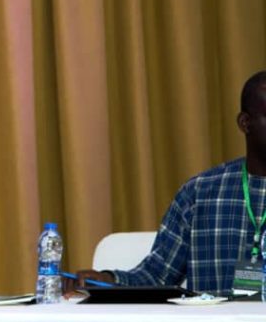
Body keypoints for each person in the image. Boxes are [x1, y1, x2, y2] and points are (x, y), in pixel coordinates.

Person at [75, 70, 266, 293]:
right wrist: (106, 280)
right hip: (214, 317)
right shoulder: (199, 192)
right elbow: (158, 275)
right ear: (245, 123)